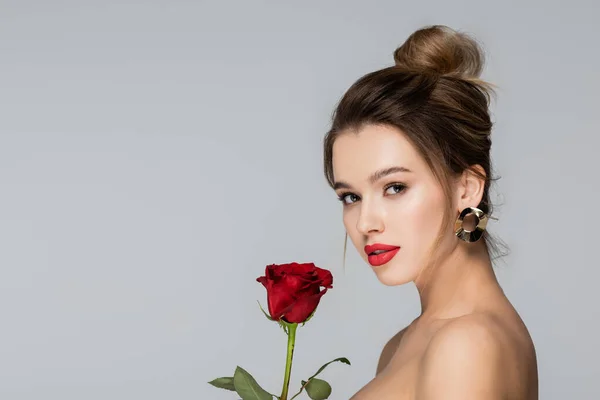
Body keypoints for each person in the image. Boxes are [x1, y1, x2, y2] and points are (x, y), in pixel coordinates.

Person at [323, 25, 538, 399]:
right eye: (351, 197)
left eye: (395, 187)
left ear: (467, 187)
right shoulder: (406, 343)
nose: (366, 223)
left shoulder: (466, 344)